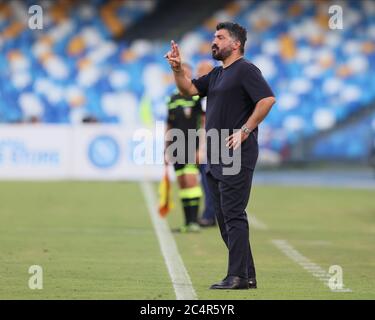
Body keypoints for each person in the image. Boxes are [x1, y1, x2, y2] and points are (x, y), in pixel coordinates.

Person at [165, 22, 276, 289]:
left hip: (236, 153)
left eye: (220, 37)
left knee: (233, 214)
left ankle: (237, 276)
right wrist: (178, 69)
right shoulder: (217, 75)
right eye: (214, 37)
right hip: (215, 154)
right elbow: (187, 90)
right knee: (224, 217)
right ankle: (246, 275)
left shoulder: (246, 70)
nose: (214, 41)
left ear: (235, 44)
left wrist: (245, 130)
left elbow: (267, 99)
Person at [164, 63, 204, 233]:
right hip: (176, 146)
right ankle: (187, 222)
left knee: (191, 181)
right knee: (182, 182)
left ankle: (195, 221)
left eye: (186, 74)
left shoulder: (196, 98)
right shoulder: (172, 99)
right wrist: (166, 148)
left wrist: (201, 148)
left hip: (191, 144)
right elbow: (169, 124)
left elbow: (204, 122)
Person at [195, 60, 217, 227]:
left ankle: (209, 215)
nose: (200, 73)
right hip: (202, 141)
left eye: (204, 70)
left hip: (211, 141)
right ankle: (210, 213)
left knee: (208, 179)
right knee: (205, 179)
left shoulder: (211, 94)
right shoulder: (201, 93)